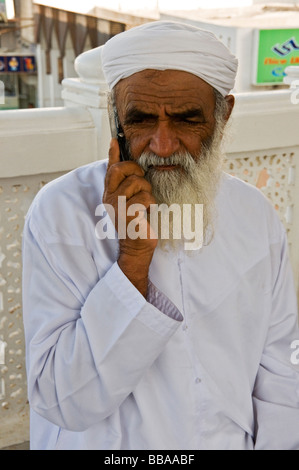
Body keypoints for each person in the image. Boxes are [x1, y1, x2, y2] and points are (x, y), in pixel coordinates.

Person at [22, 21, 299, 450]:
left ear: (223, 115)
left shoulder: (254, 214)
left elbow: (281, 369)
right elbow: (61, 400)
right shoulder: (60, 212)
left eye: (187, 120)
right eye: (141, 120)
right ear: (116, 120)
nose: (163, 144)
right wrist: (134, 258)